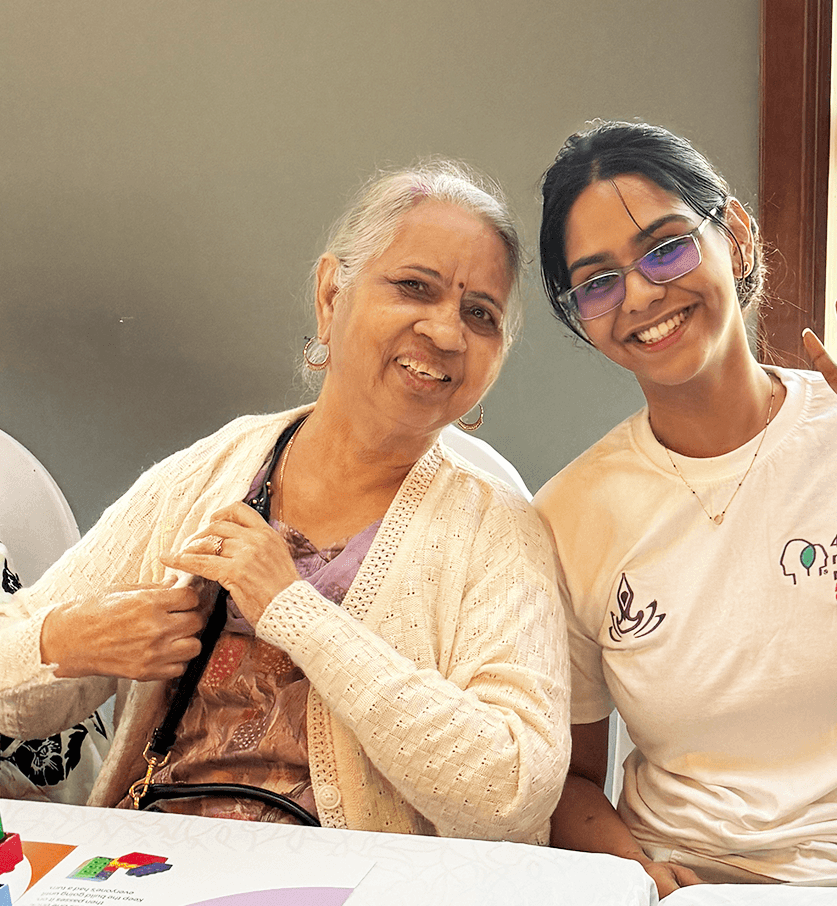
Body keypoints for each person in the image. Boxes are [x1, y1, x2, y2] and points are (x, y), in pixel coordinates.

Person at [0, 160, 570, 841]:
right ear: (333, 296)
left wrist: (295, 613)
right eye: (414, 287)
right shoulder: (210, 474)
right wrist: (68, 637)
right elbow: (16, 689)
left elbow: (513, 793)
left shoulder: (498, 530)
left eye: (480, 314)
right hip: (146, 869)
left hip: (360, 899)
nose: (446, 334)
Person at [533, 121, 837, 897]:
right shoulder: (570, 514)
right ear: (582, 318)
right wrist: (643, 879)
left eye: (666, 247)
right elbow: (566, 780)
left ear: (734, 235)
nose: (640, 295)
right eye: (597, 282)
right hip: (695, 889)